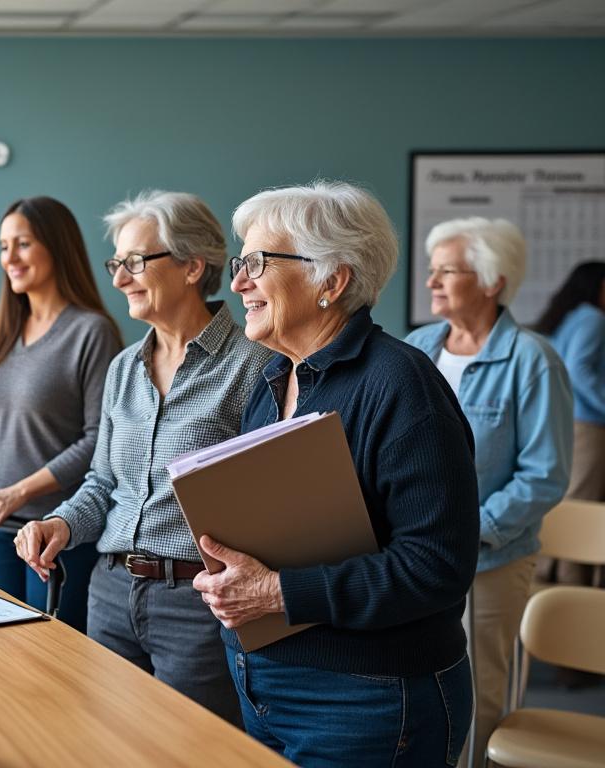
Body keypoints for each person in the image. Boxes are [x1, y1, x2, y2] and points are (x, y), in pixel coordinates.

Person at [188, 181, 479, 765]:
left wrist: (272, 591)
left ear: (332, 281)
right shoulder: (272, 380)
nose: (239, 282)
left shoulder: (402, 384)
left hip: (367, 700)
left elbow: (436, 567)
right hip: (266, 681)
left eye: (257, 263)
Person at [13, 190, 270, 721]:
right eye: (117, 264)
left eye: (135, 262)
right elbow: (103, 482)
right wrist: (61, 523)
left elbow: (271, 505)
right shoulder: (124, 368)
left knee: (187, 751)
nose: (119, 278)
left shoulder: (254, 365)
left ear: (193, 265)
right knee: (108, 743)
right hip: (107, 590)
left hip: (196, 604)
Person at [404, 217, 573, 765]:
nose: (430, 281)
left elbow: (544, 474)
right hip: (414, 555)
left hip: (488, 561)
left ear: (492, 280)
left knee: (478, 695)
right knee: (417, 685)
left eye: (446, 271)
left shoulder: (533, 360)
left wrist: (471, 533)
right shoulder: (417, 349)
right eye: (432, 270)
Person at [0, 197, 121, 630]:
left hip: (55, 528)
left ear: (57, 247)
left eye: (23, 244)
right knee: (2, 639)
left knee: (48, 650)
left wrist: (20, 492)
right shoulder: (3, 329)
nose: (9, 258)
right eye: (3, 246)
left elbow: (95, 442)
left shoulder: (91, 332)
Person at [536, 262, 605, 506]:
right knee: (582, 500)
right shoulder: (594, 317)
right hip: (588, 424)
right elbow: (578, 369)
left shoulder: (568, 316)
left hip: (566, 418)